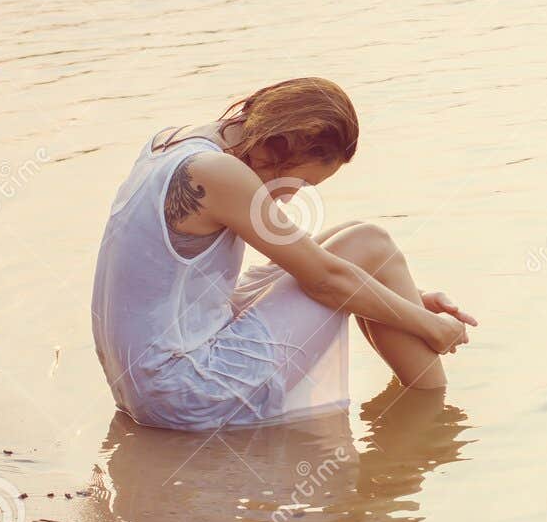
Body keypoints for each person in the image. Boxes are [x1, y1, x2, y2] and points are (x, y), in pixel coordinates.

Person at [90, 78, 475, 430]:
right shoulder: (216, 172)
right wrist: (432, 328)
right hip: (185, 393)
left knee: (357, 247)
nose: (291, 197)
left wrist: (402, 297)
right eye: (301, 181)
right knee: (370, 244)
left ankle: (425, 428)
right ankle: (435, 427)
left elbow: (318, 272)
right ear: (281, 144)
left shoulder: (170, 142)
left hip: (143, 390)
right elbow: (326, 281)